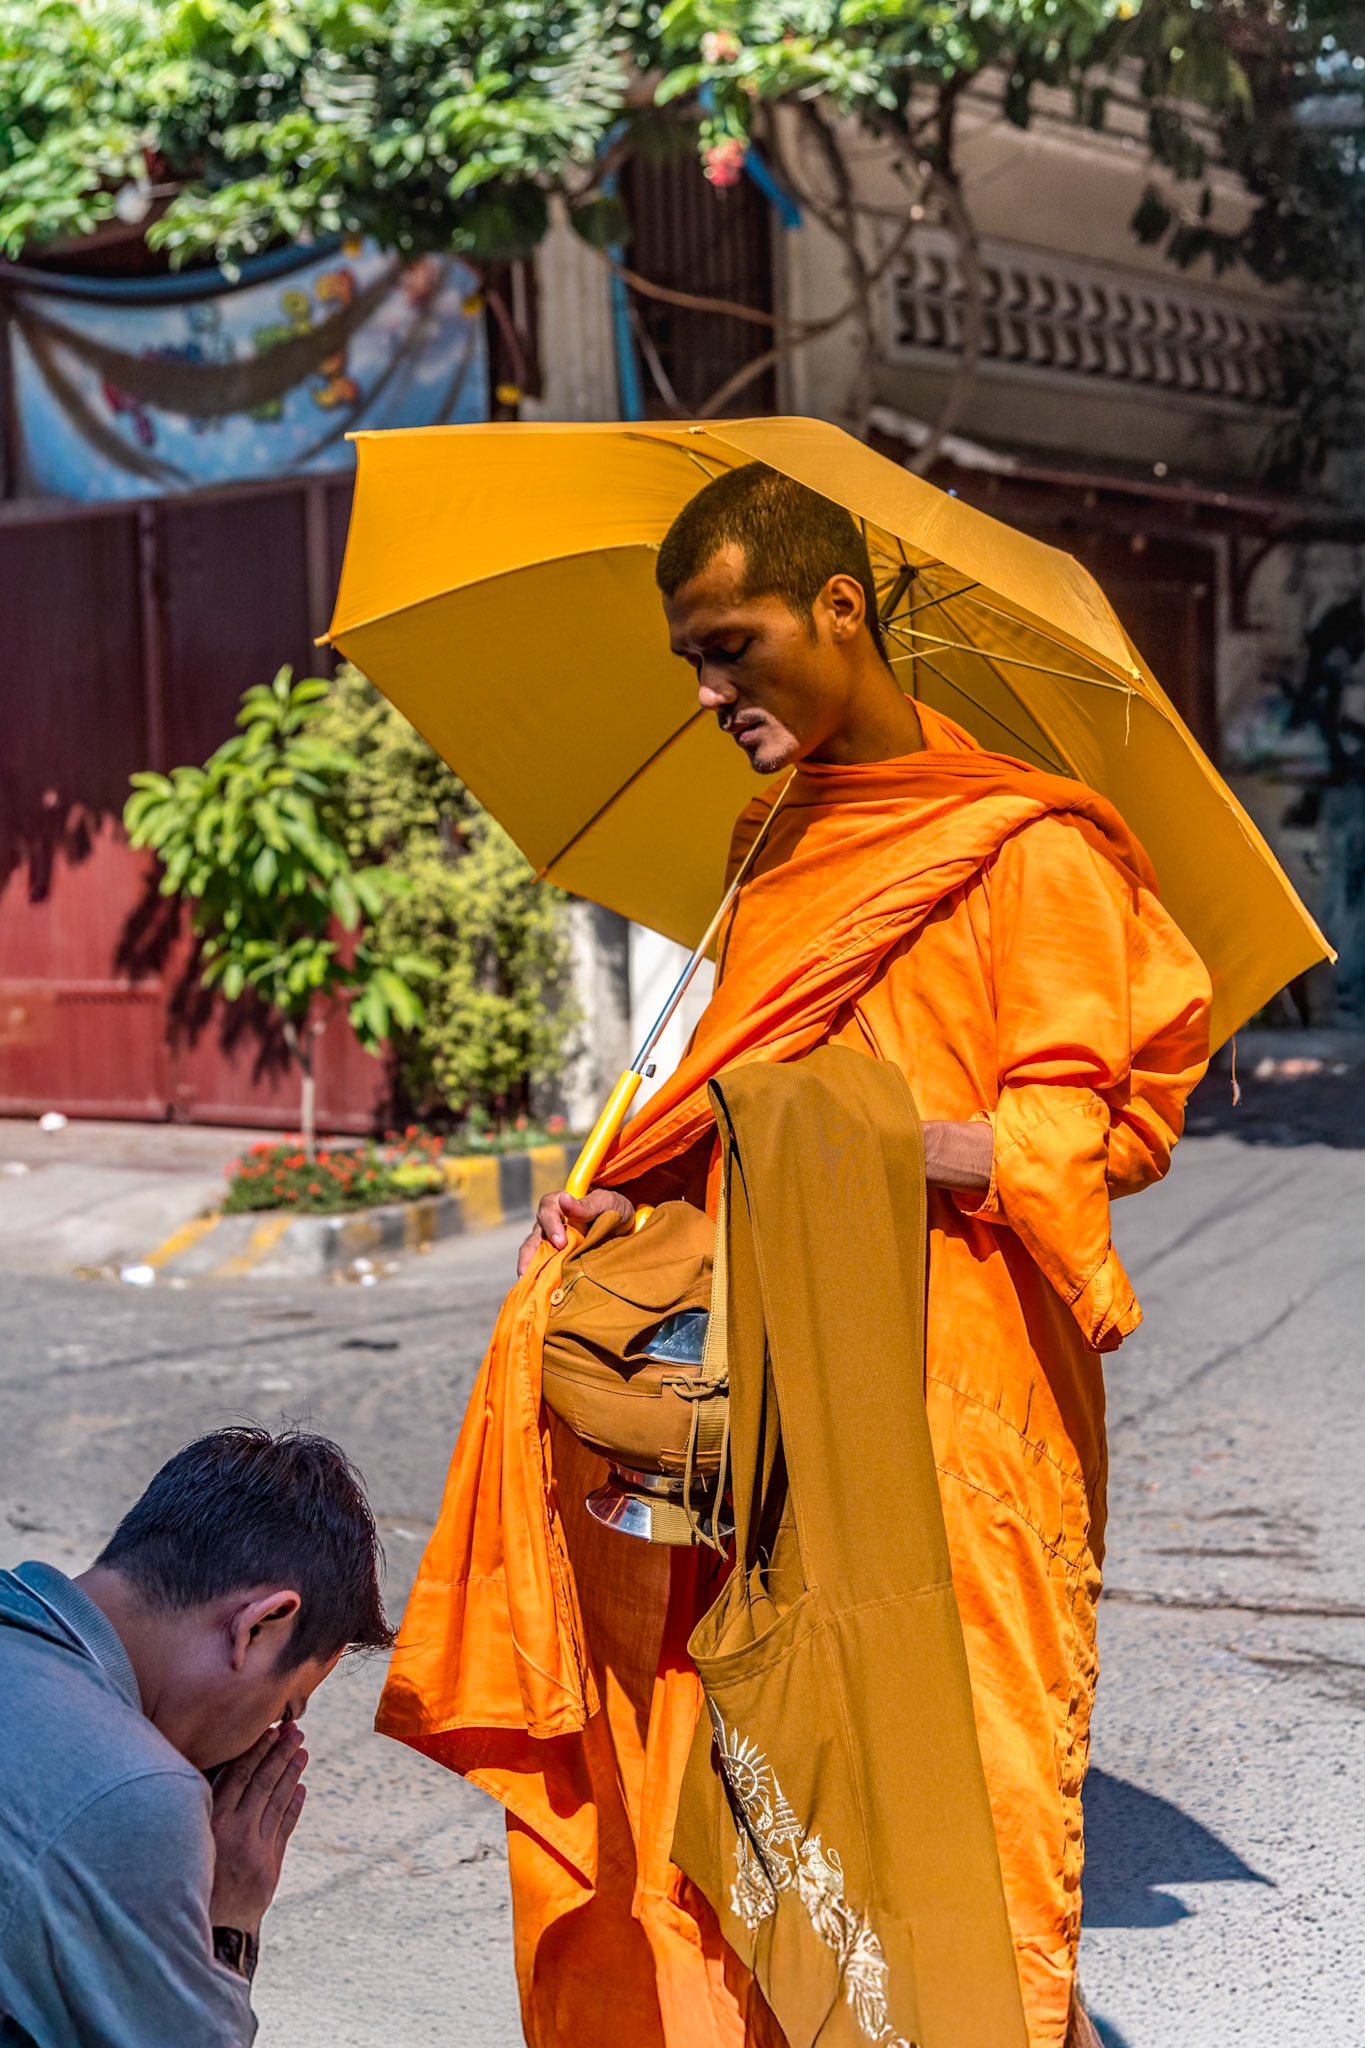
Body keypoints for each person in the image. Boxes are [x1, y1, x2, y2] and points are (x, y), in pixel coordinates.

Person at [377, 464, 1211, 2048]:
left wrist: (853, 1137)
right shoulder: (781, 845)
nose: (707, 691)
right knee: (735, 1776)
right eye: (688, 659)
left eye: (732, 645)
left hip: (952, 1402)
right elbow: (727, 1109)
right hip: (756, 1394)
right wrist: (640, 1197)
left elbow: (1088, 1142)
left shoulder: (1028, 852)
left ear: (840, 612)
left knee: (949, 1792)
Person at [0, 1426, 393, 2047]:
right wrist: (229, 1922)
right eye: (285, 1707)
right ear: (261, 1624)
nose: (270, 1738)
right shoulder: (133, 1791)